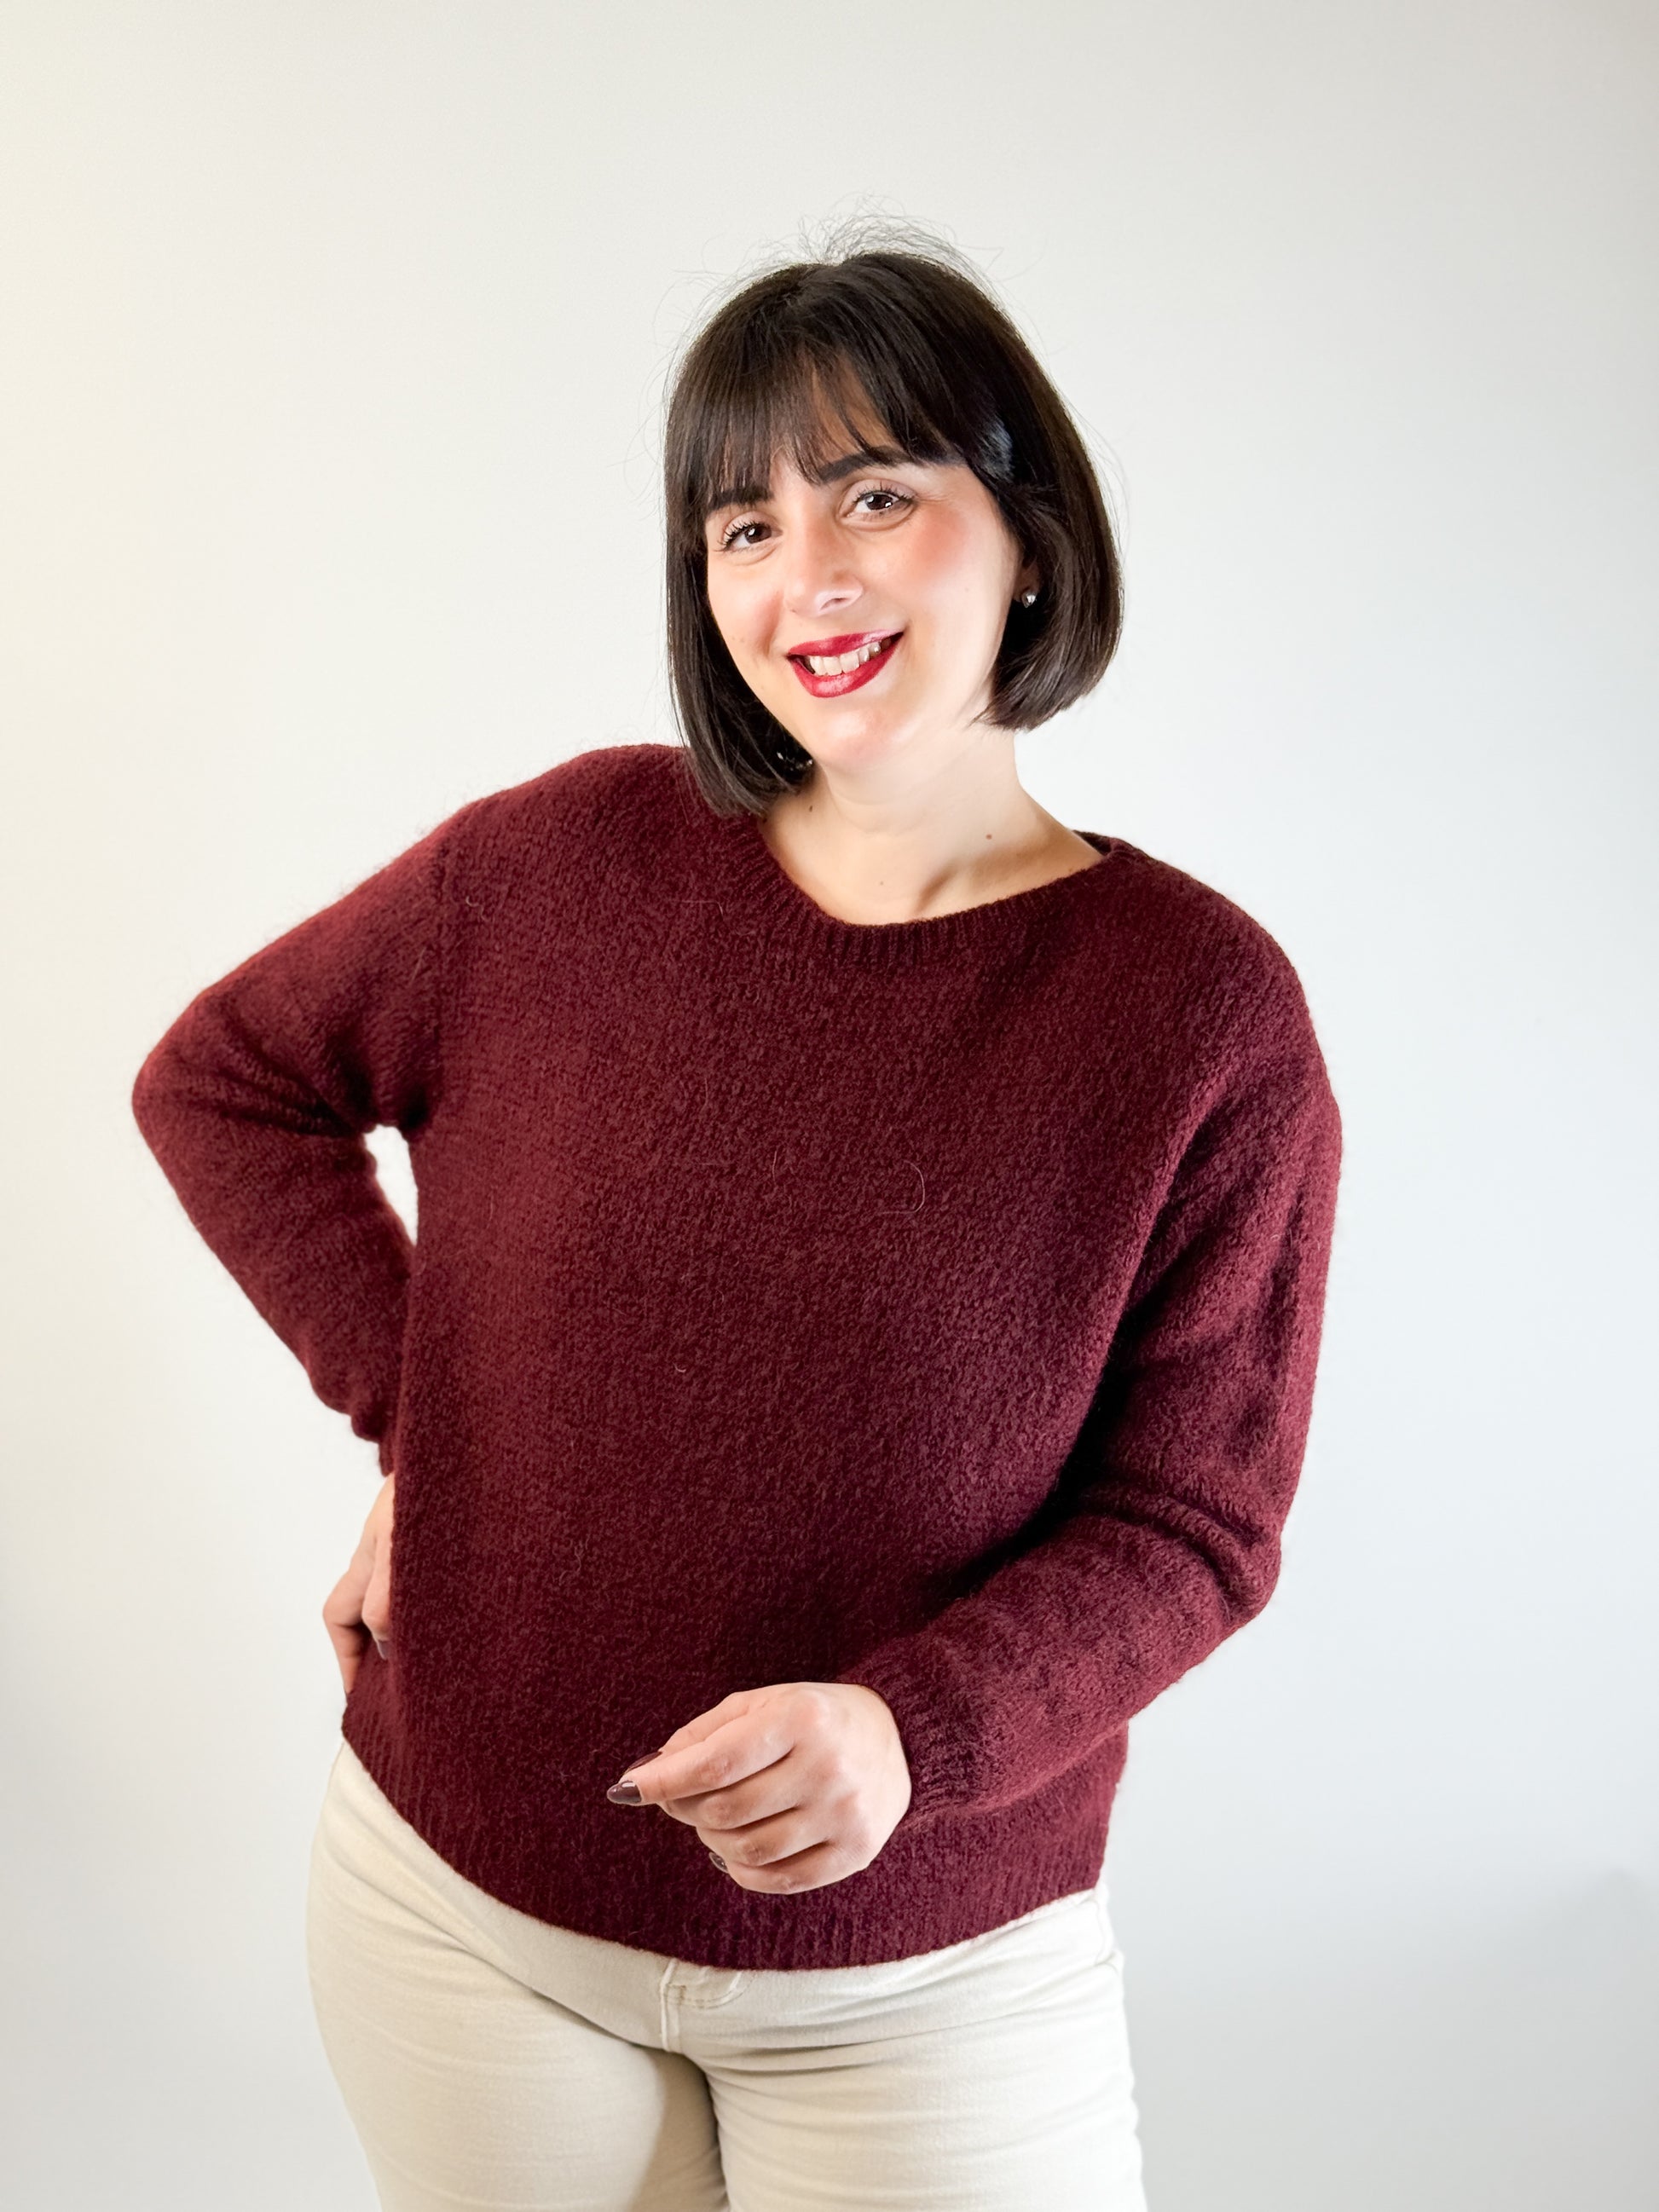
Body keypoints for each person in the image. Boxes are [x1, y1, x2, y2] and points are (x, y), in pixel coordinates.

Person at [130, 232, 1343, 2212]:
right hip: (459, 1913)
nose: (808, 577)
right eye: (744, 525)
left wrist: (912, 1730)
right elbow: (226, 1080)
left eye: (877, 494)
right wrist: (439, 1437)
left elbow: (1193, 1522)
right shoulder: (556, 864)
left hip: (926, 1971)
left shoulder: (1197, 1013)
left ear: (1028, 534)